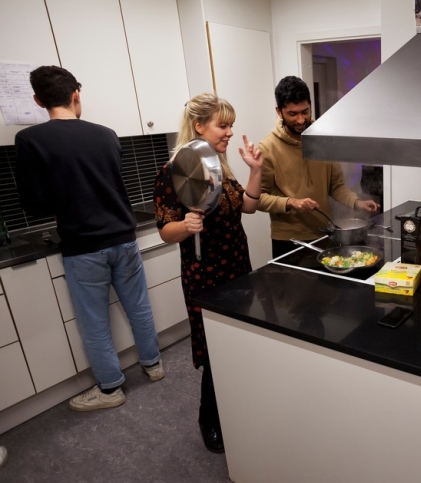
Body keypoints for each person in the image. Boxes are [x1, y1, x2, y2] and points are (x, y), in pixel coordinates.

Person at [15, 65, 164, 412]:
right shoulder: (107, 134)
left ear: (38, 100)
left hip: (83, 246)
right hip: (124, 237)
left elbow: (34, 204)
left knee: (94, 321)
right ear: (76, 94)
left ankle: (111, 389)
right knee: (139, 306)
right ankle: (153, 365)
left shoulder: (31, 140)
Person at [153, 93, 263, 453]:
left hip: (237, 269)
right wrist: (185, 224)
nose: (230, 132)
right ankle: (209, 420)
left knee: (236, 344)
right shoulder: (177, 170)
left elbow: (247, 206)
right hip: (206, 276)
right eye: (223, 124)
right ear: (199, 125)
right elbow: (166, 231)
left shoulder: (219, 165)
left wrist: (256, 170)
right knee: (216, 350)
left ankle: (237, 409)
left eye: (231, 124)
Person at [257, 75, 379, 258]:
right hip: (288, 240)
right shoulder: (267, 148)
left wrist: (356, 202)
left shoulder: (323, 140)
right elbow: (258, 198)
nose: (300, 120)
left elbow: (336, 186)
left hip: (324, 234)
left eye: (305, 111)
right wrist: (291, 202)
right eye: (292, 114)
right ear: (279, 111)